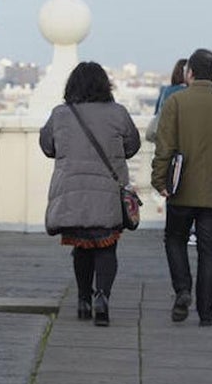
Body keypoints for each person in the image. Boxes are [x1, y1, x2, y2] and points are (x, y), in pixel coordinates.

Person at [41, 62, 141, 327]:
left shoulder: (61, 114)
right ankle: (102, 297)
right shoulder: (118, 113)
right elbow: (133, 146)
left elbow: (47, 146)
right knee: (107, 247)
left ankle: (83, 300)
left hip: (72, 194)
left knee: (81, 248)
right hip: (107, 194)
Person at [151, 49, 212, 327]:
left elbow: (164, 146)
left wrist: (159, 180)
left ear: (190, 73)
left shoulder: (176, 101)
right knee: (209, 250)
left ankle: (183, 289)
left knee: (175, 239)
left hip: (181, 187)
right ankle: (206, 313)